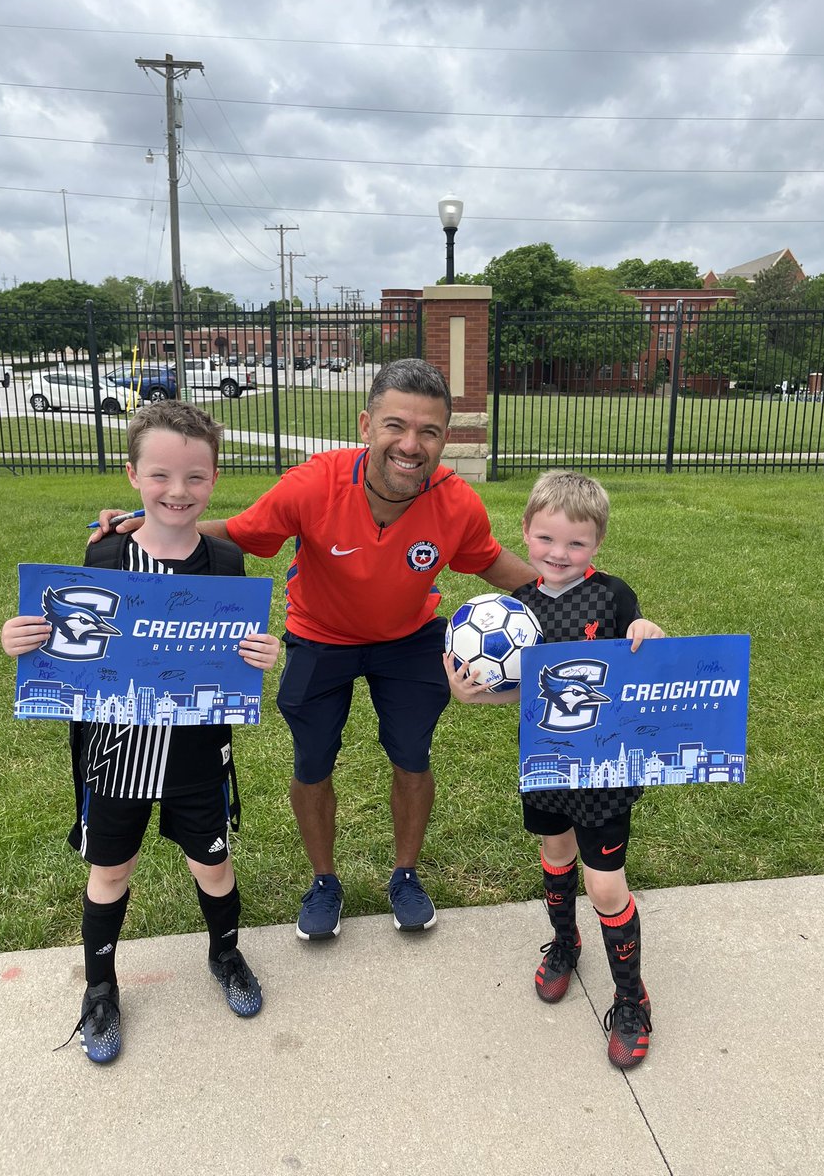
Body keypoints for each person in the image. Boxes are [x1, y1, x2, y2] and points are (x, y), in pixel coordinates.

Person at [90, 359, 536, 942]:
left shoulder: (456, 502)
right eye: (395, 426)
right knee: (312, 761)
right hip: (319, 636)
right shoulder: (313, 484)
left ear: (444, 438)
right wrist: (144, 521)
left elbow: (497, 565)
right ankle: (324, 881)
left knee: (412, 755)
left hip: (407, 640)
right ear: (365, 425)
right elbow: (239, 532)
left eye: (429, 431)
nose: (411, 444)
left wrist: (582, 596)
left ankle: (405, 875)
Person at [1, 401, 279, 1064]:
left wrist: (261, 656)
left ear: (214, 478)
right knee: (110, 871)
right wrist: (24, 641)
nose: (177, 492)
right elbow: (74, 639)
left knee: (212, 863)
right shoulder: (105, 552)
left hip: (194, 749)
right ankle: (100, 988)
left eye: (194, 478)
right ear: (132, 475)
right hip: (117, 748)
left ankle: (225, 953)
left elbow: (232, 646)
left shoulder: (224, 562)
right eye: (160, 476)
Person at [444, 471, 665, 1070]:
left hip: (603, 770)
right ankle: (566, 943)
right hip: (546, 763)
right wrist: (472, 697)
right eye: (545, 540)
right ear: (525, 533)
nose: (558, 554)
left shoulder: (614, 596)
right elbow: (523, 692)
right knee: (555, 853)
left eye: (576, 543)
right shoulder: (519, 608)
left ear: (597, 544)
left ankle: (630, 998)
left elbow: (638, 655)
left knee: (605, 884)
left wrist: (647, 633)